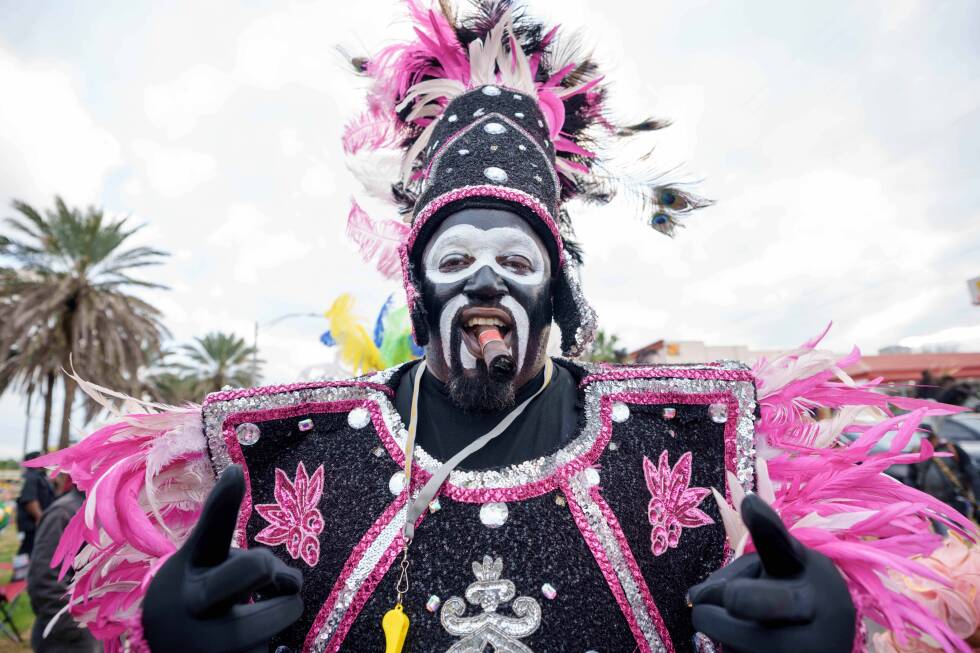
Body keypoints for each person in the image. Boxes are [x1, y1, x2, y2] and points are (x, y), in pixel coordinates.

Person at [30, 2, 978, 652]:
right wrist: (170, 628)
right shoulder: (288, 454)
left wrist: (829, 619)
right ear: (419, 287)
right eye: (455, 260)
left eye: (517, 262)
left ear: (558, 295)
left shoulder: (694, 444)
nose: (485, 278)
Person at [27, 483, 101, 652]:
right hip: (69, 641)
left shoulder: (103, 508)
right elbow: (45, 582)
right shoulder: (62, 513)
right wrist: (79, 631)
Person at [14, 451, 54, 580]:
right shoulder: (32, 476)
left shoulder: (39, 476)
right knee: (27, 549)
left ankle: (24, 577)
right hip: (33, 523)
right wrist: (40, 518)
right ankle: (18, 578)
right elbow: (30, 500)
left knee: (30, 549)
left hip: (36, 522)